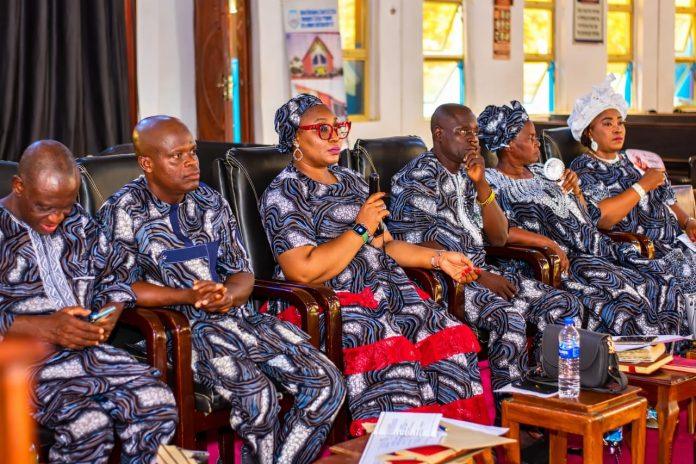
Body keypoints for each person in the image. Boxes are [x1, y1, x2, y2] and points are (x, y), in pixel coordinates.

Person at [96, 116, 345, 464]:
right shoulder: (124, 210)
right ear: (147, 163)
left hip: (238, 321)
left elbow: (241, 271)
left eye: (192, 152)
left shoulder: (210, 201)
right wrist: (188, 296)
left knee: (326, 382)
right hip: (181, 333)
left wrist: (230, 294)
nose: (191, 162)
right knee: (258, 398)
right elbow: (119, 288)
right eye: (177, 156)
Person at [261, 94, 495, 435]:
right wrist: (360, 228)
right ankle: (396, 448)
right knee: (389, 349)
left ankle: (451, 446)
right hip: (327, 302)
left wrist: (438, 258)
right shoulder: (284, 193)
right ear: (295, 137)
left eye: (339, 127)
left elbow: (386, 245)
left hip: (385, 290)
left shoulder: (352, 180)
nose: (335, 136)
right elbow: (303, 270)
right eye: (322, 129)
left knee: (452, 336)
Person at [0, 140, 177, 464]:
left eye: (65, 207)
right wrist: (45, 327)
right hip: (19, 366)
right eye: (44, 207)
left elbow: (116, 275)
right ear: (19, 186)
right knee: (88, 423)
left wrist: (108, 315)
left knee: (157, 401)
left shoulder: (78, 223)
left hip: (87, 353)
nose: (56, 218)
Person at [388, 103, 582, 391]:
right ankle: (510, 404)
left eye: (475, 132)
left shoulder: (470, 173)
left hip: (484, 271)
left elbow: (499, 237)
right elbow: (424, 246)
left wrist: (481, 185)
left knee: (565, 305)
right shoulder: (415, 180)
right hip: (447, 282)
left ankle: (548, 390)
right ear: (439, 134)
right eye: (463, 132)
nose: (473, 139)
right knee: (509, 319)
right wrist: (479, 276)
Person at [481, 101, 687, 335]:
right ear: (508, 145)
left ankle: (668, 350)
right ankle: (631, 352)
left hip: (592, 248)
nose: (537, 143)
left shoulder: (544, 172)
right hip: (554, 261)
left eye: (536, 137)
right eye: (530, 138)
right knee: (624, 297)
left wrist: (576, 190)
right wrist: (549, 243)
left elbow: (587, 216)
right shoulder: (491, 182)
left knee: (660, 280)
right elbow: (500, 231)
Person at [567, 75, 695, 333]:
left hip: (676, 241)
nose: (618, 129)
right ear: (589, 131)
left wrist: (688, 221)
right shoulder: (584, 168)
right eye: (607, 123)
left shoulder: (635, 160)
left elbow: (669, 201)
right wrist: (641, 186)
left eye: (620, 122)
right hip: (638, 250)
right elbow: (603, 218)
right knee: (684, 276)